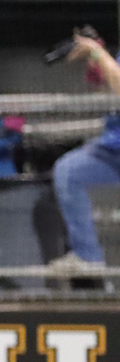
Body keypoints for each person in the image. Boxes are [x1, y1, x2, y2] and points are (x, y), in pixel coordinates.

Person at [49, 31, 120, 271]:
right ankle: (89, 256)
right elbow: (110, 99)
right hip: (113, 147)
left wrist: (97, 52)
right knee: (69, 171)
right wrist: (99, 72)